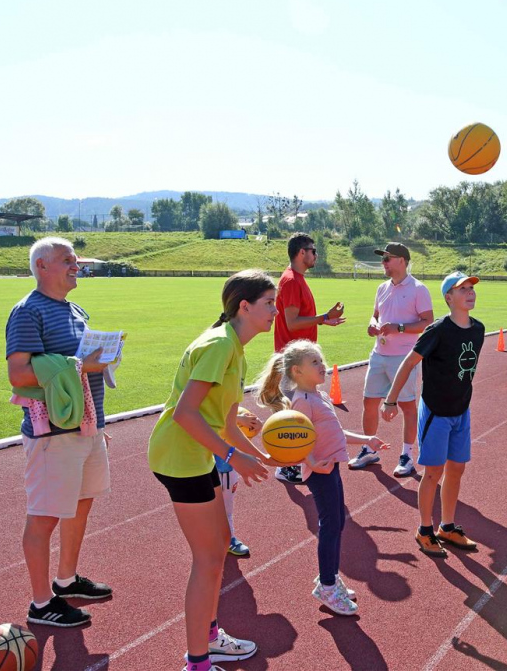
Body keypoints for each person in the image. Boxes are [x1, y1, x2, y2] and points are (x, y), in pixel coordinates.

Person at [147, 269, 278, 671]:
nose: (275, 310)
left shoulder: (235, 347)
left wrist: (258, 454)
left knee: (220, 544)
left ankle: (209, 638)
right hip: (180, 457)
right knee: (207, 558)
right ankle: (198, 663)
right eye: (269, 303)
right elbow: (187, 414)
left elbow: (222, 421)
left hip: (198, 454)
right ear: (244, 305)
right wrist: (233, 456)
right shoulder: (220, 345)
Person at [6, 237, 114, 628]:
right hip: (52, 433)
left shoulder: (75, 309)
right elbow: (19, 375)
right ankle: (40, 603)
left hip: (87, 427)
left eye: (76, 261)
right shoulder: (26, 312)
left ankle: (66, 580)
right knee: (44, 517)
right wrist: (82, 366)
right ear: (42, 267)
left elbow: (78, 364)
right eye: (67, 261)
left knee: (82, 503)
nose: (75, 267)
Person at [256, 340, 389, 615]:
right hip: (320, 473)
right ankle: (327, 586)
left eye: (321, 359)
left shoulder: (319, 396)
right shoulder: (301, 403)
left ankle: (329, 576)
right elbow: (295, 440)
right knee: (330, 526)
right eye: (314, 362)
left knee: (337, 522)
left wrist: (366, 439)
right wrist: (313, 462)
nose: (322, 365)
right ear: (296, 371)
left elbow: (336, 432)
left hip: (331, 468)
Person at [382, 272, 485, 557]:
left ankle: (447, 526)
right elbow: (409, 362)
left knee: (457, 469)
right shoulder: (438, 330)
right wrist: (390, 401)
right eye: (461, 289)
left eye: (471, 288)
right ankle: (424, 529)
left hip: (461, 411)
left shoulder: (478, 329)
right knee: (433, 473)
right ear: (448, 298)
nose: (469, 292)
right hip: (436, 412)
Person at [349, 242, 433, 477]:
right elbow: (375, 314)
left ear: (402, 261)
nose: (383, 263)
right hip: (378, 354)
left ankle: (407, 455)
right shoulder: (382, 288)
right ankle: (368, 448)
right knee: (369, 402)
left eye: (387, 258)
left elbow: (428, 322)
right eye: (383, 258)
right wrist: (372, 324)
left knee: (407, 406)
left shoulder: (418, 289)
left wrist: (400, 327)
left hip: (404, 357)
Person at [273, 232, 345, 485]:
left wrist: (324, 320)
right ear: (301, 253)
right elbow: (292, 323)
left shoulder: (297, 279)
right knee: (294, 417)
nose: (316, 255)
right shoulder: (292, 281)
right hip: (294, 362)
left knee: (299, 415)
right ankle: (287, 466)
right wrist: (323, 317)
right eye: (313, 251)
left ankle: (295, 463)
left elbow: (298, 321)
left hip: (299, 361)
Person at [216, 410, 262, 557]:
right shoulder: (202, 389)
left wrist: (255, 426)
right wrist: (238, 419)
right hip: (205, 459)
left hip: (227, 463)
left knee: (227, 507)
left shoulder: (232, 396)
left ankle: (228, 540)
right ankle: (208, 543)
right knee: (206, 507)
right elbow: (203, 416)